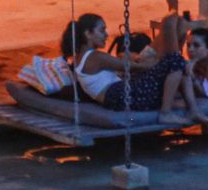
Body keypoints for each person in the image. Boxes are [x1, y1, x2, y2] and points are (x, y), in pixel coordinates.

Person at [60, 11, 192, 116]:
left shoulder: (83, 57)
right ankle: (166, 113)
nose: (106, 35)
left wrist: (146, 59)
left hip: (121, 93)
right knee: (176, 59)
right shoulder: (94, 57)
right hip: (123, 95)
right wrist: (160, 61)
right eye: (102, 30)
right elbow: (137, 67)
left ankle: (187, 104)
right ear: (88, 34)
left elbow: (123, 65)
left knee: (176, 30)